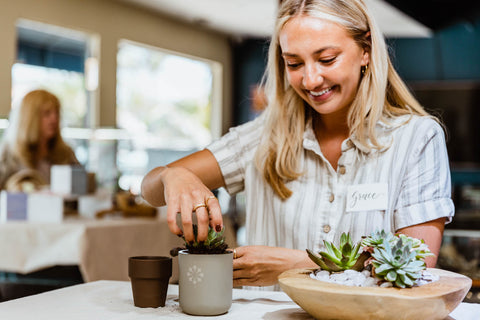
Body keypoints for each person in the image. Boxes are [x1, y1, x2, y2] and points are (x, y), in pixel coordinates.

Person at [141, 0, 454, 289]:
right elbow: (150, 189)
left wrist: (299, 266)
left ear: (366, 50)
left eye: (326, 59)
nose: (311, 80)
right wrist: (173, 176)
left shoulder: (417, 139)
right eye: (294, 63)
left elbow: (416, 267)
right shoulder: (262, 138)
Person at [0, 89, 79, 191]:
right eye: (47, 113)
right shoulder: (9, 154)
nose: (54, 119)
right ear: (30, 117)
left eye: (57, 112)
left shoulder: (66, 154)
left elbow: (81, 188)